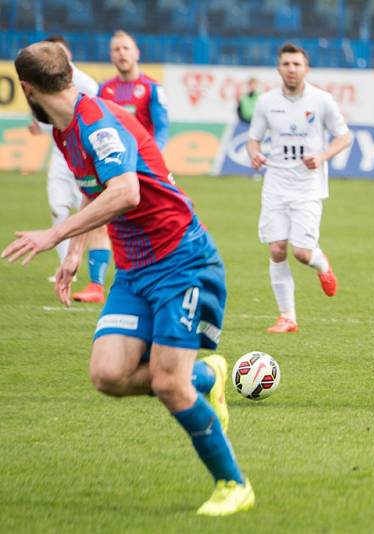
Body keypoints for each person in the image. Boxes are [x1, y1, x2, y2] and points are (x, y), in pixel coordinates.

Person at [3, 42, 253, 515]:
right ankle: (208, 375)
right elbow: (93, 189)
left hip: (181, 261)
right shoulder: (64, 128)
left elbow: (125, 192)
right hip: (135, 268)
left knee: (167, 384)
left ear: (26, 89)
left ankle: (234, 484)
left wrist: (53, 233)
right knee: (108, 375)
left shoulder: (96, 123)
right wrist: (74, 251)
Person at [246, 43, 352, 334]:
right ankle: (287, 317)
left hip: (307, 187)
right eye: (286, 64)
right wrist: (253, 153)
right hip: (276, 183)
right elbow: (253, 138)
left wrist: (321, 157)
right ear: (279, 68)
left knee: (302, 253)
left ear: (306, 68)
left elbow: (344, 137)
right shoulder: (266, 102)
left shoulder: (322, 100)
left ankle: (322, 265)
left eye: (296, 64)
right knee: (277, 249)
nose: (291, 69)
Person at [71, 30, 171, 304]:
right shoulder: (105, 90)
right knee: (102, 220)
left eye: (126, 48)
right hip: (114, 165)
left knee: (153, 224)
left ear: (136, 53)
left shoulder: (151, 88)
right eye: (116, 49)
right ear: (111, 55)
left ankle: (159, 278)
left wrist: (152, 157)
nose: (121, 53)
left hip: (145, 168)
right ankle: (95, 285)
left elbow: (162, 129)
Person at [27, 35, 99, 282]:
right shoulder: (42, 86)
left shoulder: (87, 85)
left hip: (84, 153)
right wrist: (39, 127)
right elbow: (51, 122)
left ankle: (83, 261)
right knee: (58, 207)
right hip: (61, 154)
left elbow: (92, 116)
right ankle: (64, 265)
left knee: (88, 209)